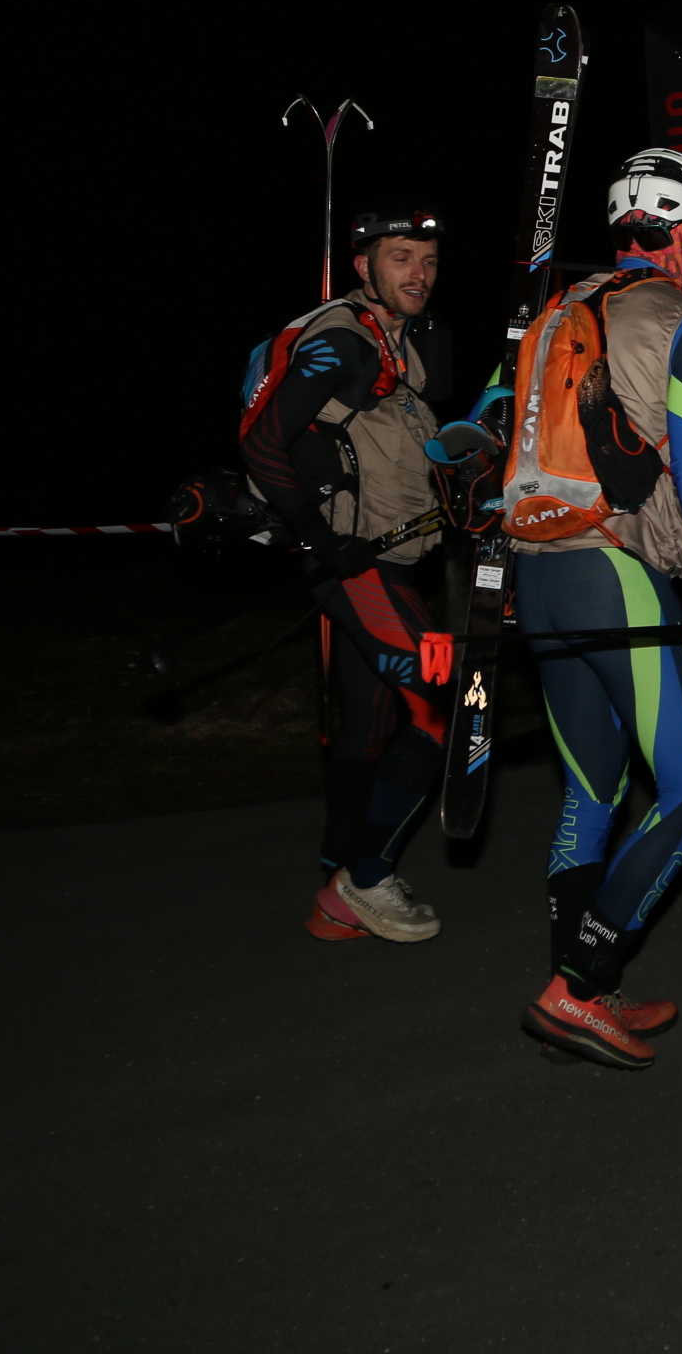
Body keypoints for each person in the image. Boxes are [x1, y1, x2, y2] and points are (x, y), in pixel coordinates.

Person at [512, 145, 682, 1070]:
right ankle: (577, 988)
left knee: (593, 792)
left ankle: (580, 998)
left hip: (536, 581)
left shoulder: (555, 312)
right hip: (613, 574)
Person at [240, 210, 454, 944]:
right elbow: (263, 441)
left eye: (428, 259)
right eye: (401, 257)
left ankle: (336, 890)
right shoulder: (345, 341)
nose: (418, 273)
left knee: (368, 724)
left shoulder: (400, 342)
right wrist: (321, 539)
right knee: (441, 704)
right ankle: (366, 878)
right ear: (364, 266)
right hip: (353, 565)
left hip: (387, 561)